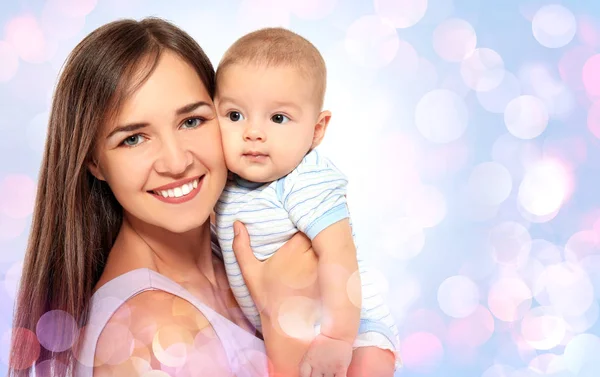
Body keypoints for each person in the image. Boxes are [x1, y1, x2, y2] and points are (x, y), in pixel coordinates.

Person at [9, 18, 323, 377]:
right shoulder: (154, 334)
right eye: (133, 138)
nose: (176, 162)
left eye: (191, 121)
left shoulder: (245, 256)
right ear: (94, 161)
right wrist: (286, 322)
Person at [213, 27, 400, 377]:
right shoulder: (223, 185)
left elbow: (338, 253)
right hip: (282, 331)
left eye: (278, 118)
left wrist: (337, 338)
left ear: (317, 129)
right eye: (235, 115)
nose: (253, 132)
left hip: (353, 331)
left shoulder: (305, 179)